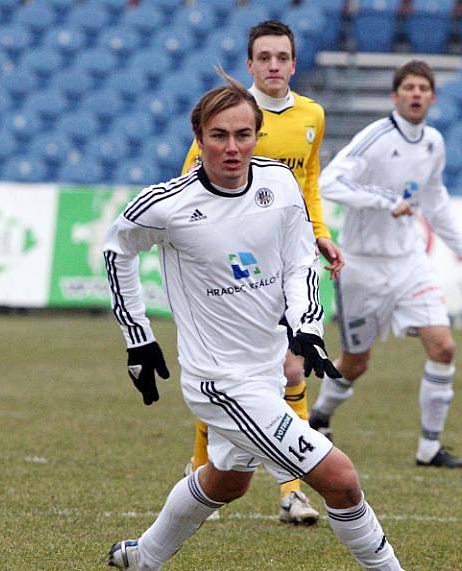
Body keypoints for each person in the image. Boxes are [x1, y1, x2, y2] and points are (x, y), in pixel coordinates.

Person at [103, 74, 459, 571]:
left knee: (227, 481)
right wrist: (138, 335)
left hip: (268, 367)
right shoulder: (168, 204)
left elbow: (300, 260)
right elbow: (115, 248)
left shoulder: (278, 185)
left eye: (244, 135)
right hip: (220, 381)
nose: (232, 148)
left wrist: (308, 328)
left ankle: (144, 559)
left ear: (257, 134)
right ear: (198, 137)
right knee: (339, 477)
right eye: (218, 136)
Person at [181, 20, 343, 525]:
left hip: (287, 258)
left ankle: (291, 490)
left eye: (282, 57)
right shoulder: (231, 114)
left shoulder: (312, 115)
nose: (274, 65)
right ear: (249, 65)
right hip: (233, 264)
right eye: (264, 57)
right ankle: (203, 468)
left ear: (294, 64)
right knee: (229, 371)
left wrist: (319, 231)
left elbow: (309, 180)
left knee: (292, 368)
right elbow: (191, 178)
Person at [309, 60, 462, 469]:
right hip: (363, 265)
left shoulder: (433, 143)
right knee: (356, 362)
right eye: (408, 87)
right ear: (395, 95)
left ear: (432, 97)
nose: (415, 94)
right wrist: (385, 201)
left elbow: (435, 200)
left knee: (444, 347)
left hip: (410, 263)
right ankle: (319, 416)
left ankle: (429, 447)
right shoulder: (375, 137)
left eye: (423, 88)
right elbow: (329, 182)